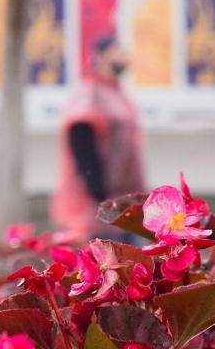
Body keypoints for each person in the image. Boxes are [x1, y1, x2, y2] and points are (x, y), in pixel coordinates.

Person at [53, 33, 146, 243]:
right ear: (101, 56)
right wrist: (96, 189)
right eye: (118, 51)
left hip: (126, 200)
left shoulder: (118, 94)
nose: (125, 56)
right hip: (99, 201)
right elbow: (81, 137)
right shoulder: (90, 93)